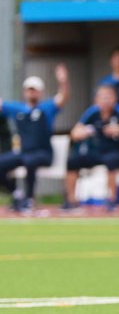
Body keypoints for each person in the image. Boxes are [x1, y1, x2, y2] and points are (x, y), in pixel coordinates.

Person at [0, 66, 69, 212]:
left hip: (43, 153)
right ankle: (17, 194)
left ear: (40, 92)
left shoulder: (47, 108)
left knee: (30, 160)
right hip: (24, 152)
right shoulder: (17, 109)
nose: (32, 92)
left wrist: (63, 82)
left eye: (34, 90)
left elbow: (62, 98)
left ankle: (29, 199)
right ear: (25, 92)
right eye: (29, 90)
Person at [65, 84, 119, 211]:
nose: (105, 100)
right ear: (96, 99)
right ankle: (71, 200)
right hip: (97, 152)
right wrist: (85, 131)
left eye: (108, 97)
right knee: (72, 161)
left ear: (115, 98)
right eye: (102, 97)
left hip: (118, 152)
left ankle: (112, 200)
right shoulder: (92, 112)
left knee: (111, 161)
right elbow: (74, 133)